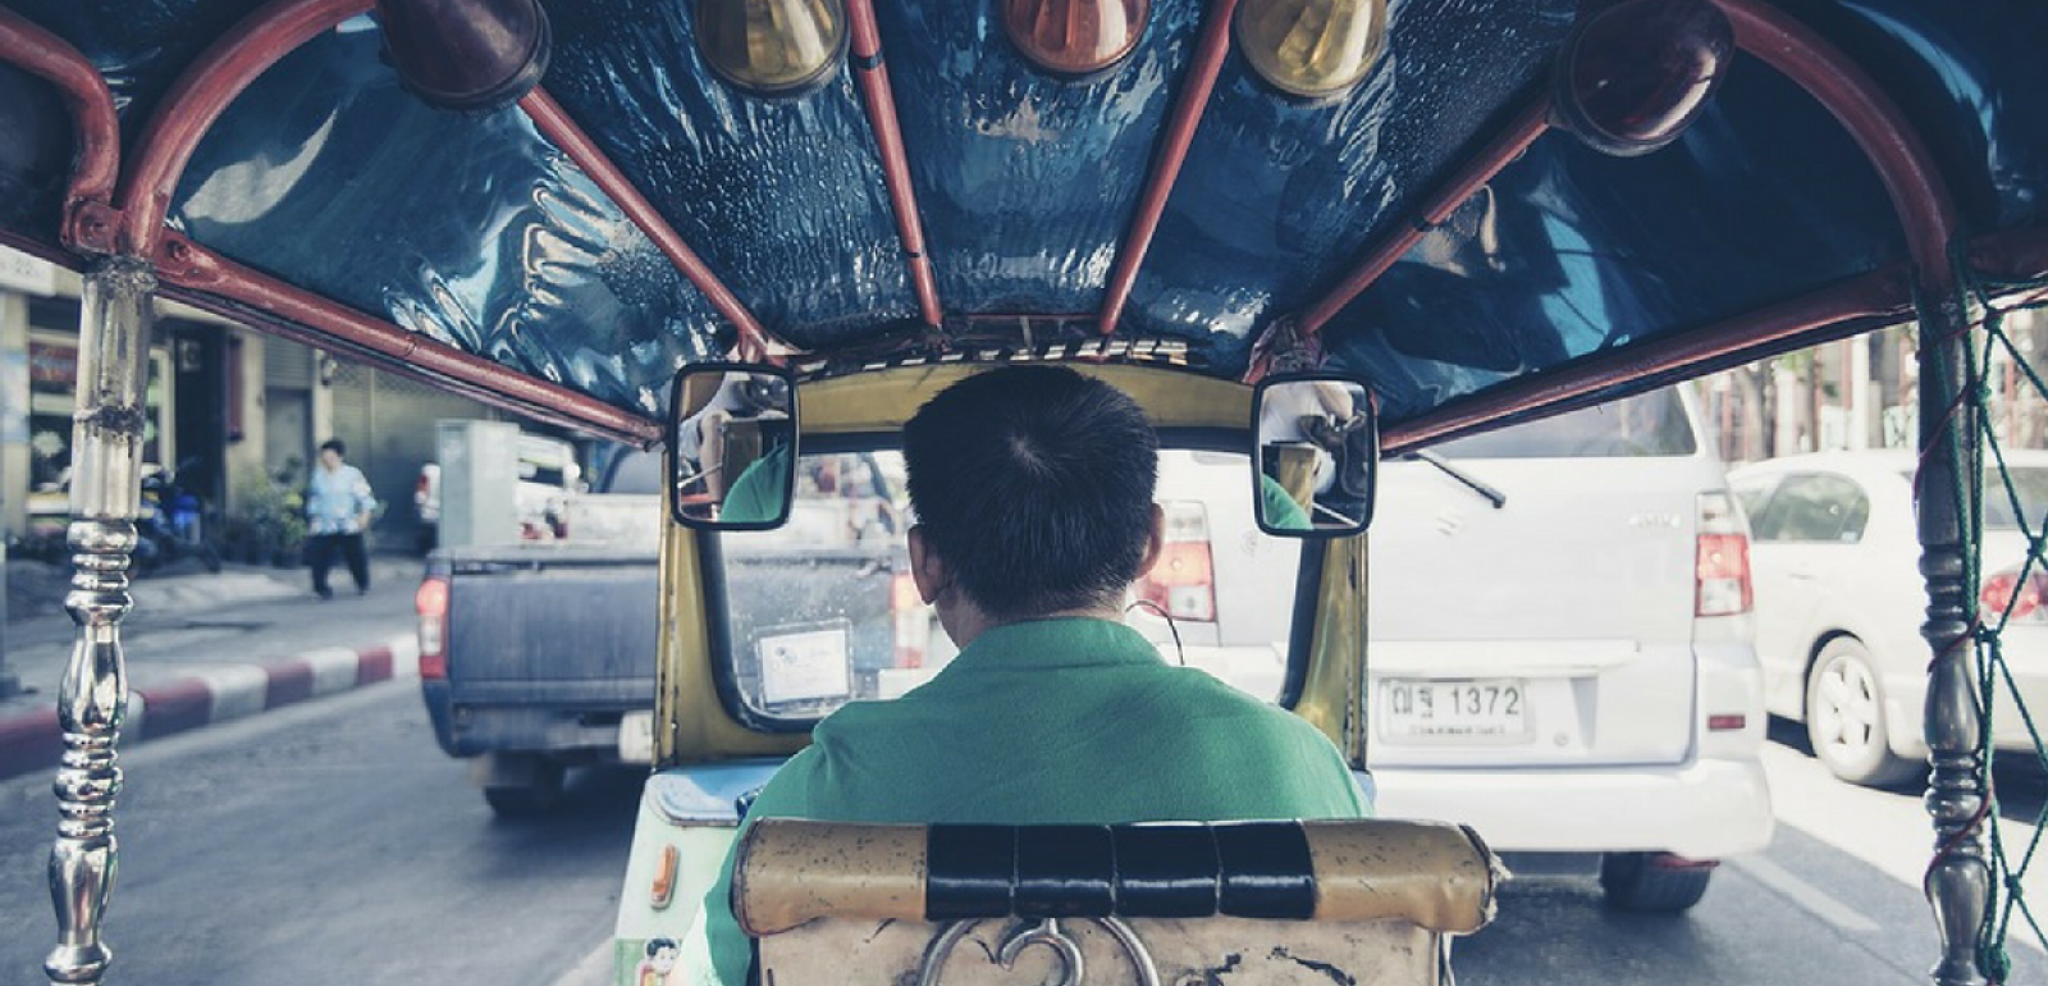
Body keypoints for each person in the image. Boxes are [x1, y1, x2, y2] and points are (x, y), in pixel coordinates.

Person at [685, 365, 1370, 985]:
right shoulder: (1302, 769)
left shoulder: (816, 800)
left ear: (925, 564)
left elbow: (728, 967)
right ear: (1148, 545)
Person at [304, 438, 376, 599]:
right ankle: (321, 587)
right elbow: (314, 499)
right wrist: (312, 519)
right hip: (324, 524)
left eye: (331, 458)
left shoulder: (352, 475)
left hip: (347, 523)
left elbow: (365, 497)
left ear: (340, 457)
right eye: (324, 458)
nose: (327, 461)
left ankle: (362, 583)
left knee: (355, 556)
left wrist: (364, 516)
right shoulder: (318, 476)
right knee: (319, 558)